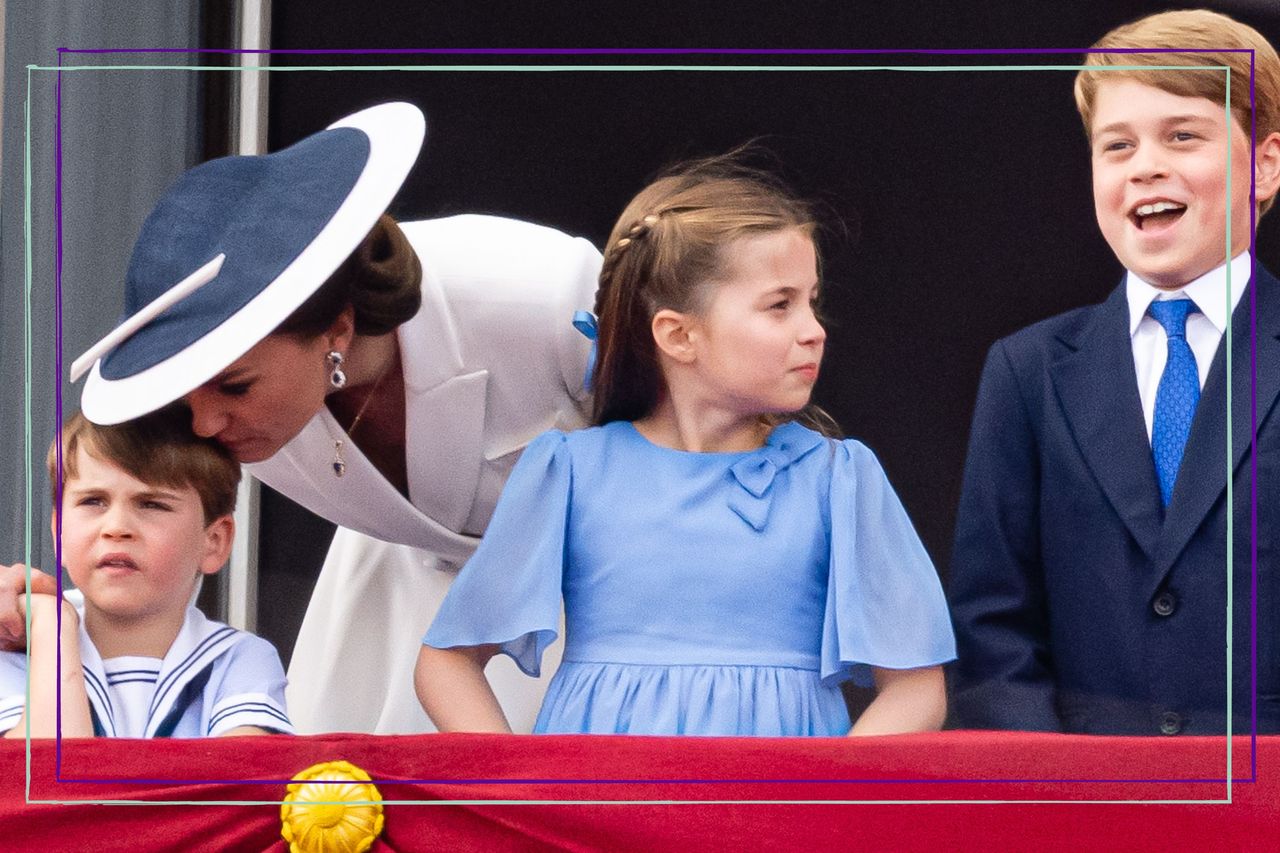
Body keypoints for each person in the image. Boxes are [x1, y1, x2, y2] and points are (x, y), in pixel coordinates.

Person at [0, 101, 599, 734]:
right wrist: (22, 601)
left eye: (234, 384)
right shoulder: (210, 420)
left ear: (336, 330)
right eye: (185, 394)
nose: (203, 425)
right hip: (401, 623)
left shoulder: (539, 293)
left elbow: (699, 438)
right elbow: (122, 494)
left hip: (616, 604)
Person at [415, 155, 955, 736]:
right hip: (601, 813)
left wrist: (816, 807)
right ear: (678, 334)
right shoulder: (570, 472)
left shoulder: (839, 478)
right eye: (780, 304)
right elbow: (446, 661)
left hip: (773, 815)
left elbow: (917, 688)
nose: (814, 329)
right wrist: (526, 790)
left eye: (812, 301)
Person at [948, 9, 1280, 734]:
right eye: (1116, 145)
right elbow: (991, 625)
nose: (1144, 165)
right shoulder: (1027, 370)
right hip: (1087, 807)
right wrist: (1050, 794)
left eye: (1182, 135)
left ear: (1264, 163)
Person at [0, 408, 291, 738]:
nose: (117, 527)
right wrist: (53, 625)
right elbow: (41, 776)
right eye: (94, 501)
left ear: (213, 542)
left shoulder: (238, 660)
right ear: (60, 533)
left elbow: (234, 785)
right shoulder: (16, 657)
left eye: (152, 504)